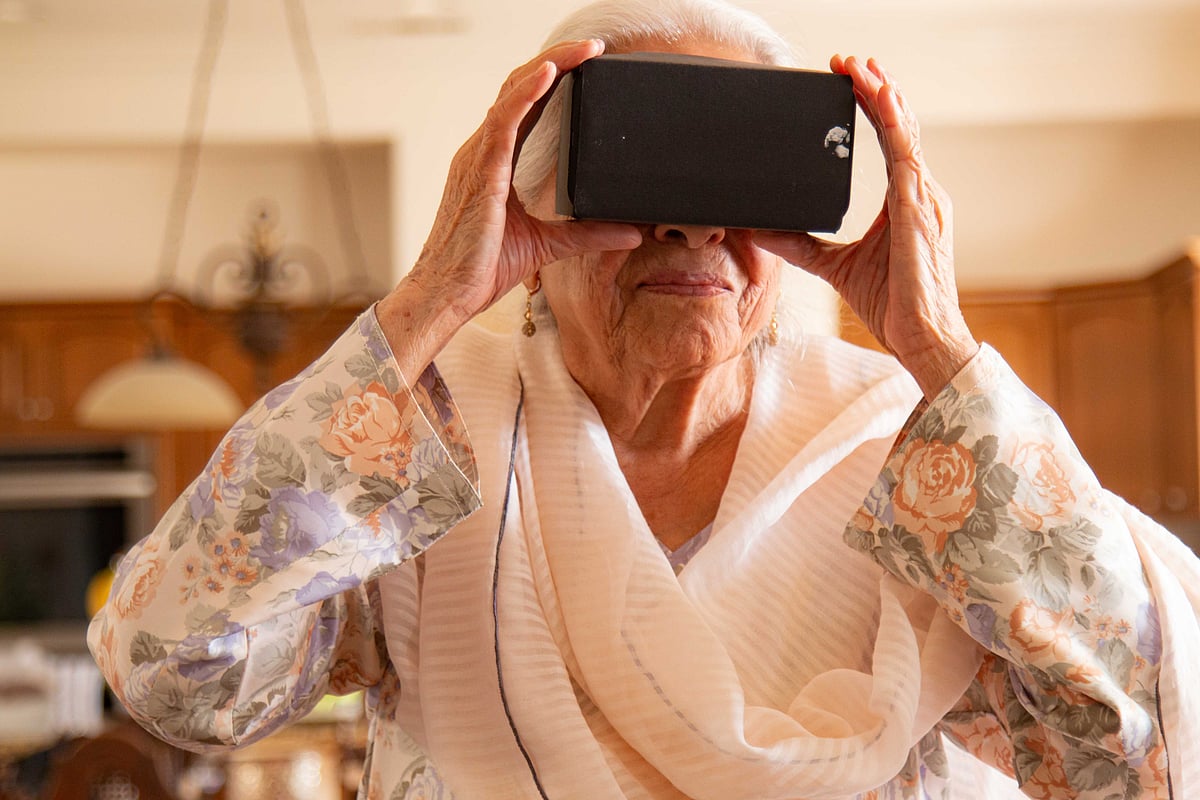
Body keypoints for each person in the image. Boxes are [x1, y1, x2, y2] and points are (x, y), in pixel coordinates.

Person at [88, 1, 1200, 798]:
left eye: (736, 179)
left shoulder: (923, 464)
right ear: (533, 203)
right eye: (644, 169)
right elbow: (175, 671)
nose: (691, 225)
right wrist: (429, 299)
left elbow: (1144, 751)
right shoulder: (417, 458)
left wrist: (941, 346)